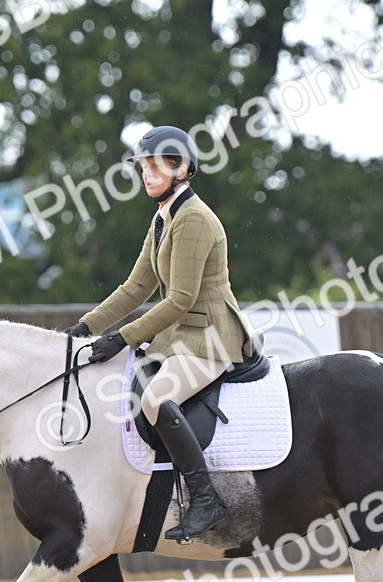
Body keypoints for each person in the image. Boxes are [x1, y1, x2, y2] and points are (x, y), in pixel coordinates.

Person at [65, 125, 258, 543]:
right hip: (180, 336)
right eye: (143, 167)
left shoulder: (194, 220)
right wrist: (86, 327)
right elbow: (137, 288)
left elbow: (182, 299)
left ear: (184, 168)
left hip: (210, 337)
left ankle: (206, 500)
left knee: (156, 398)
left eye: (156, 166)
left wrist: (122, 338)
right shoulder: (162, 217)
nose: (147, 175)